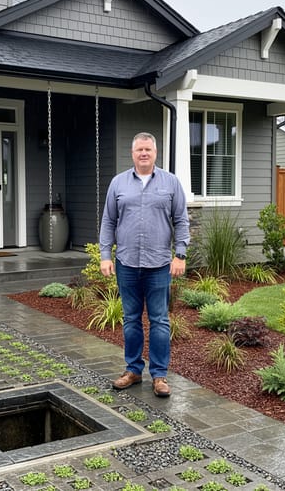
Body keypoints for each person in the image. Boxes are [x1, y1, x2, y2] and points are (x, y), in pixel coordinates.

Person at [99, 132, 189, 397]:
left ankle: (159, 376)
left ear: (155, 152)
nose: (144, 153)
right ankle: (133, 370)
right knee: (131, 320)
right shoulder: (118, 183)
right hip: (126, 263)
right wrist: (105, 255)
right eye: (139, 149)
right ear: (133, 153)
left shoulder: (171, 183)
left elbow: (181, 220)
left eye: (148, 149)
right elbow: (108, 221)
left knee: (160, 320)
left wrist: (180, 254)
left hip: (159, 264)